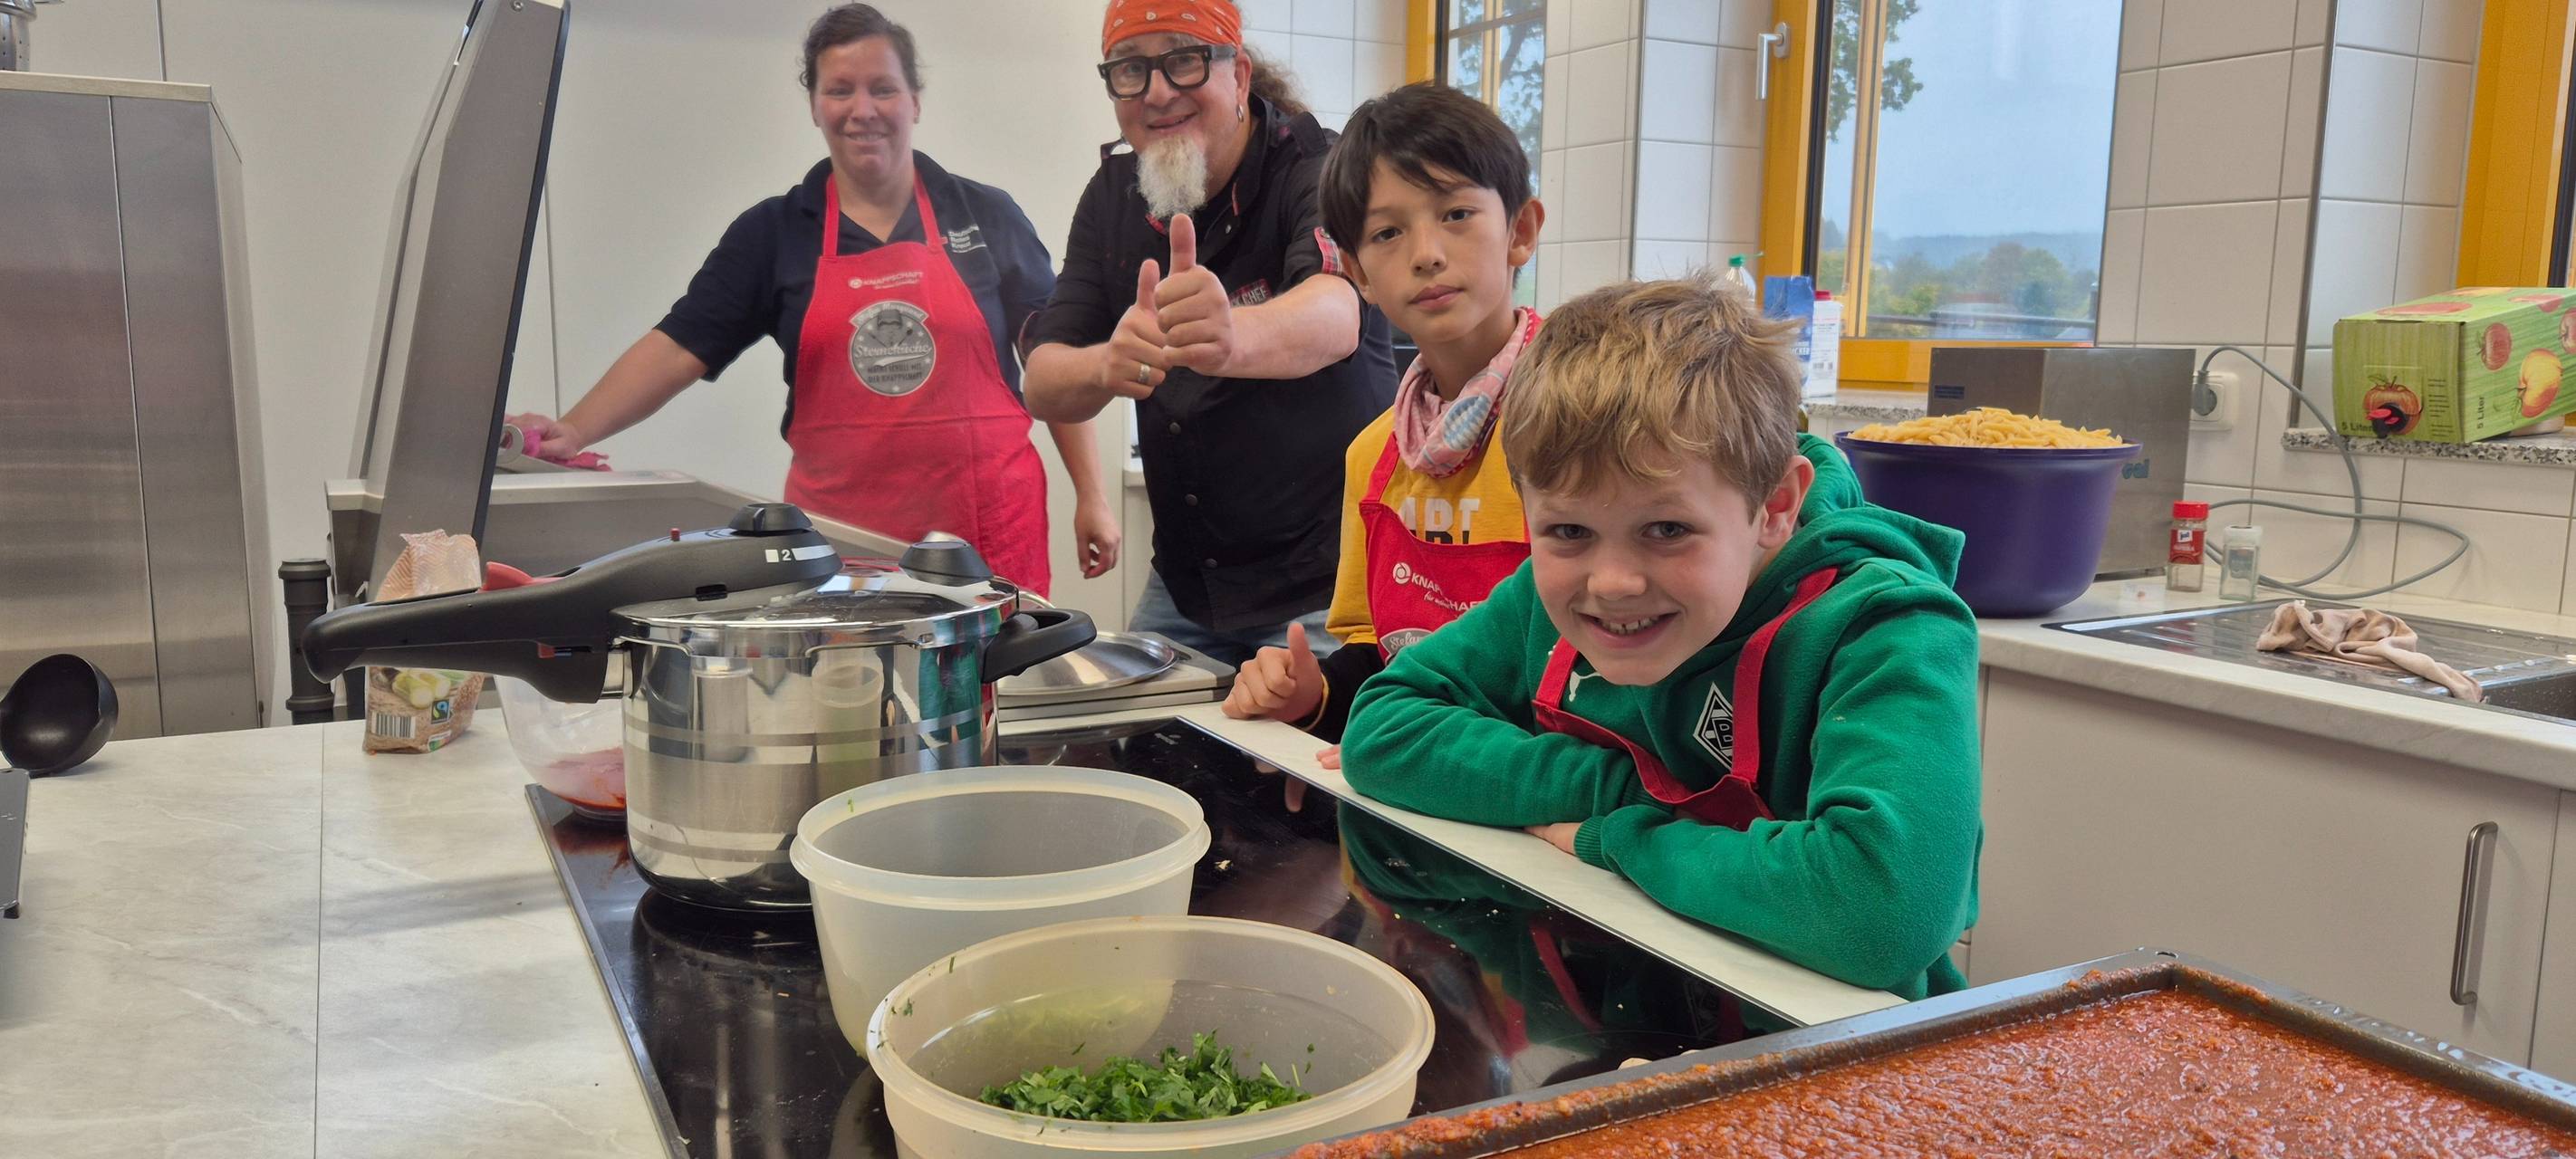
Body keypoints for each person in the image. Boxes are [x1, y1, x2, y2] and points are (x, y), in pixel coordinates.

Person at [1341, 278, 1983, 999]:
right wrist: (1615, 785)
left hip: (1840, 1054)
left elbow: (1879, 912)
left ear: (1774, 507)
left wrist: (1616, 835)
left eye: (1667, 530)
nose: (1611, 582)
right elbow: (1382, 733)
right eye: (1568, 531)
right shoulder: (1545, 597)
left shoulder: (1886, 631)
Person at [505, 5, 1116, 597]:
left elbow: (1052, 360)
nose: (863, 110)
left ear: (915, 101)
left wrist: (1091, 493)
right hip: (840, 547)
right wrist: (574, 428)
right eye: (840, 90)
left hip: (987, 538)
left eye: (883, 88)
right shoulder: (774, 233)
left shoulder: (985, 215)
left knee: (985, 693)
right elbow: (677, 346)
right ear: (815, 106)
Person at [1020, 0, 1397, 665]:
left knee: (1295, 764)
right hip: (1188, 584)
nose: (1158, 91)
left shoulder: (1315, 165)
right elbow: (1044, 381)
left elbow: (1338, 312)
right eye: (1131, 70)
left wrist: (1231, 339)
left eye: (1184, 60)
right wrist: (1108, 364)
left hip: (1328, 584)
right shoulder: (1113, 196)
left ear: (1239, 75)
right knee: (1136, 750)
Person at [1220, 81, 1544, 745]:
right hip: (1429, 791)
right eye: (1388, 232)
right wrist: (1310, 694)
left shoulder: (1581, 420)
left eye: (1455, 214)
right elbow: (1382, 662)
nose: (1426, 253)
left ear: (1521, 231)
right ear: (1359, 274)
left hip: (1564, 800)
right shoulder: (1375, 455)